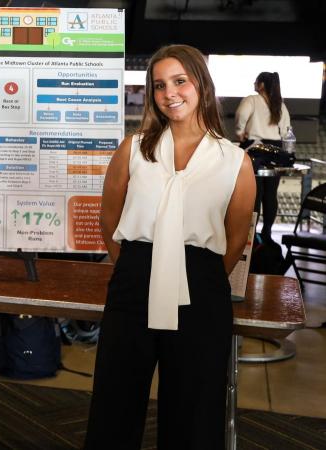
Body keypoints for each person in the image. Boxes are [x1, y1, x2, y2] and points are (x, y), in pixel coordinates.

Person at [85, 45, 256, 449]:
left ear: (202, 85)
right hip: (135, 279)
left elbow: (234, 240)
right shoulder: (134, 148)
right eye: (159, 85)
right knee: (116, 401)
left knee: (194, 409)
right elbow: (109, 218)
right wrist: (135, 266)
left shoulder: (235, 161)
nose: (170, 93)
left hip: (200, 284)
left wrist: (196, 271)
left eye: (180, 81)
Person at [235, 71, 291, 240]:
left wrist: (240, 132)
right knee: (271, 193)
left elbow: (241, 116)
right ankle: (267, 232)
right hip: (275, 150)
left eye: (256, 81)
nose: (254, 84)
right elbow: (287, 129)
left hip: (256, 149)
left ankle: (252, 235)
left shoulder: (251, 99)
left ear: (261, 85)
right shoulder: (280, 104)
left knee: (255, 193)